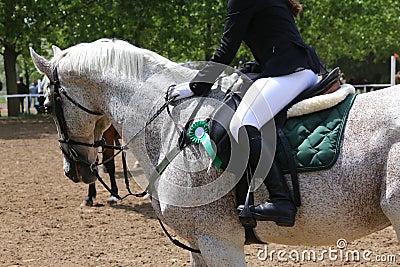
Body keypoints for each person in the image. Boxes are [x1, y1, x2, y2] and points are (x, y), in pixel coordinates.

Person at [169, 0, 322, 227]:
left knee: (241, 124)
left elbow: (226, 48)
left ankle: (281, 201)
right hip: (296, 67)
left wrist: (195, 86)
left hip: (290, 72)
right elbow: (273, 39)